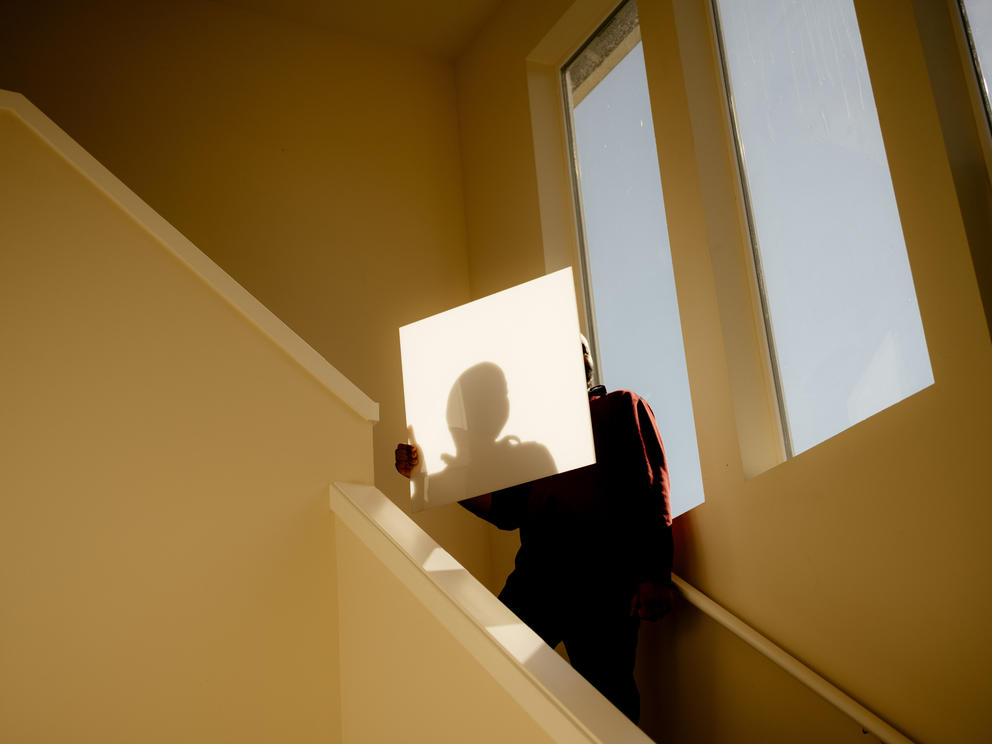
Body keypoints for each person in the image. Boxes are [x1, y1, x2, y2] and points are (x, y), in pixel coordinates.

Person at [395, 337, 673, 723]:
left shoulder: (619, 405)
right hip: (537, 576)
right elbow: (506, 510)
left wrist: (654, 574)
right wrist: (427, 476)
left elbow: (650, 483)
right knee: (490, 664)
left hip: (604, 580)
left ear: (587, 359)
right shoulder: (533, 445)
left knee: (608, 700)